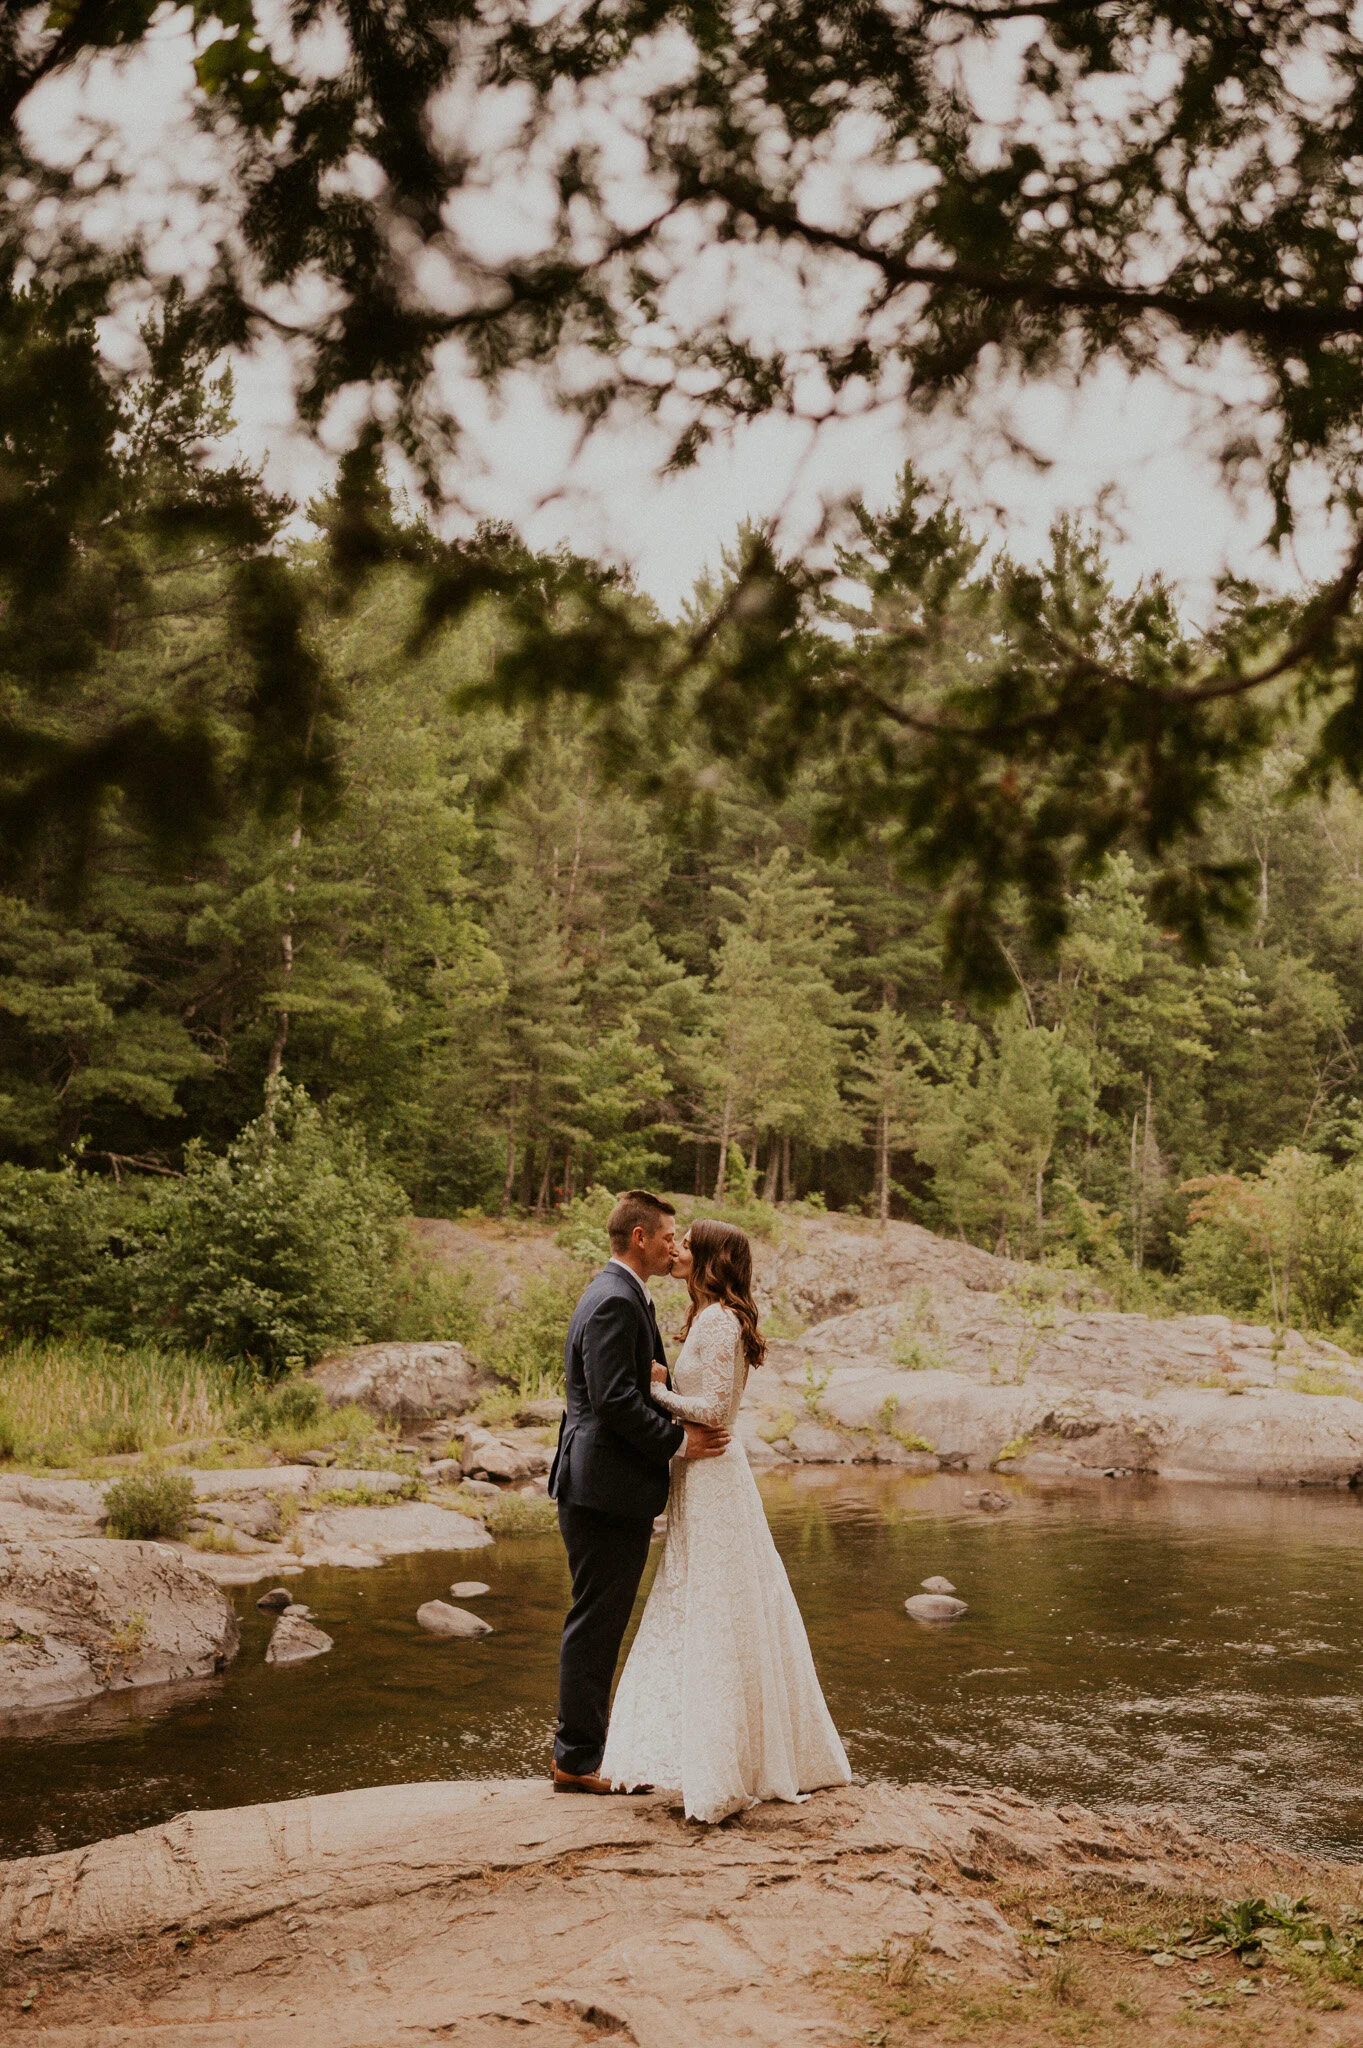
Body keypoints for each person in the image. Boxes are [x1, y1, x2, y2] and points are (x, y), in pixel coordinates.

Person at [601, 1217, 852, 1822]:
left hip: (712, 1473)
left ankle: (725, 1765)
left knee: (715, 1603)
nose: (677, 1250)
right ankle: (731, 1753)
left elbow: (715, 1409)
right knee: (714, 1599)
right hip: (704, 1475)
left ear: (711, 1258)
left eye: (688, 1244)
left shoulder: (718, 1321)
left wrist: (655, 1389)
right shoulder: (711, 1318)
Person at [548, 1189, 731, 1793]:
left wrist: (656, 1377)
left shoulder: (622, 1294)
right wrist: (680, 1444)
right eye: (668, 1236)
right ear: (640, 1239)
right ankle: (577, 1761)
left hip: (605, 1486)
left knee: (599, 1619)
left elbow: (625, 1384)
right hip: (602, 1488)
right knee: (596, 1623)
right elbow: (612, 1401)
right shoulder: (614, 1300)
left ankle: (583, 1754)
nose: (674, 1246)